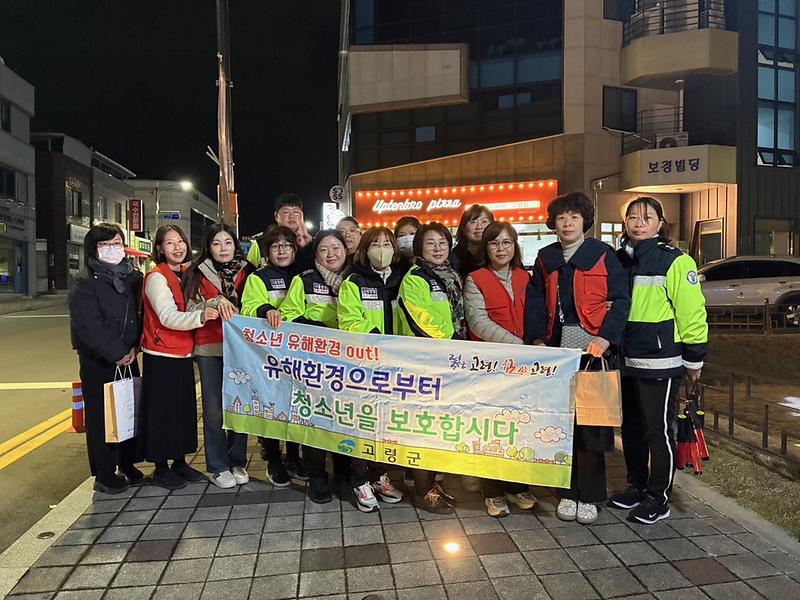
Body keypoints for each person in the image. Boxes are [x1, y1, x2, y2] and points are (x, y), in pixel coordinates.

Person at [525, 191, 631, 525]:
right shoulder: (545, 258)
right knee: (561, 423)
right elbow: (536, 304)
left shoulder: (603, 255)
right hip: (557, 349)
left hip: (594, 348)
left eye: (574, 216)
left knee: (592, 423)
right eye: (561, 217)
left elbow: (621, 300)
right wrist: (538, 339)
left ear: (585, 221)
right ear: (552, 224)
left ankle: (591, 494)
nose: (567, 223)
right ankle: (567, 492)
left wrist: (606, 336)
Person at [609, 196, 708, 524]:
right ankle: (635, 485)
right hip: (627, 360)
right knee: (631, 429)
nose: (639, 222)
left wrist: (694, 358)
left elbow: (692, 312)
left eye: (647, 217)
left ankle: (658, 497)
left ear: (660, 223)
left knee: (658, 432)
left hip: (659, 361)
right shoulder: (622, 259)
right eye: (633, 217)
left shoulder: (676, 261)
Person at [463, 221, 539, 517]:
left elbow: (536, 313)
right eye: (495, 243)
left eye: (507, 243)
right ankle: (492, 491)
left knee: (519, 427)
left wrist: (534, 344)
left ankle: (517, 485)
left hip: (524, 367)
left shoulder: (526, 277)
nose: (501, 248)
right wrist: (519, 344)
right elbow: (478, 322)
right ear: (486, 248)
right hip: (492, 365)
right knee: (492, 429)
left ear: (515, 246)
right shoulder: (476, 279)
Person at [139, 225, 219, 489]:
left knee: (183, 411)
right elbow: (167, 316)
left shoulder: (187, 273)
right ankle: (161, 467)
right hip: (161, 354)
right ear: (159, 248)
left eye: (181, 241)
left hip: (185, 352)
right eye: (169, 243)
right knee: (162, 413)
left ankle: (180, 462)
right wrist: (200, 316)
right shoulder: (156, 277)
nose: (177, 247)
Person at [68, 224, 143, 494]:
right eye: (105, 245)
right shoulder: (85, 283)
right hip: (99, 361)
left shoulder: (133, 278)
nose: (113, 249)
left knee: (127, 411)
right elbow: (89, 326)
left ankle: (127, 463)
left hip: (129, 356)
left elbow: (140, 315)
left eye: (117, 243)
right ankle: (104, 473)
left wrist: (135, 347)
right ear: (94, 249)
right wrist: (117, 353)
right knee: (102, 418)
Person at [397, 222, 465, 513]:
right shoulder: (415, 278)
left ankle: (434, 482)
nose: (437, 248)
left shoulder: (451, 276)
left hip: (451, 362)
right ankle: (422, 488)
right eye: (430, 244)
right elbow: (419, 319)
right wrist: (450, 342)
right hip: (425, 363)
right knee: (422, 428)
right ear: (419, 249)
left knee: (440, 427)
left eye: (442, 242)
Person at [337, 227, 407, 512]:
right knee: (363, 425)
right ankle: (358, 481)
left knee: (387, 426)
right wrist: (381, 341)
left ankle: (379, 476)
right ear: (364, 250)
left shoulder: (403, 280)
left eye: (387, 243)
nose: (382, 249)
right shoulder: (353, 282)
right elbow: (350, 323)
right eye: (376, 244)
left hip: (397, 366)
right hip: (365, 366)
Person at [280, 229, 349, 503]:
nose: (331, 254)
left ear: (346, 250)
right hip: (315, 363)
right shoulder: (304, 280)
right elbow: (288, 314)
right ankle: (317, 477)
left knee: (346, 418)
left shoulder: (356, 280)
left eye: (336, 248)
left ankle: (343, 472)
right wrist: (318, 329)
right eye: (324, 249)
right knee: (315, 419)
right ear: (316, 254)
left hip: (348, 364)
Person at [183, 224, 253, 489]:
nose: (223, 249)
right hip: (210, 348)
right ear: (208, 247)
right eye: (216, 243)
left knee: (241, 407)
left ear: (235, 245)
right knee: (213, 410)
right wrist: (214, 302)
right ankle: (217, 465)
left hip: (242, 350)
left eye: (228, 243)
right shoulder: (198, 273)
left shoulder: (248, 272)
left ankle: (237, 460)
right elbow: (189, 308)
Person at [240, 225, 309, 485]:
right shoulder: (259, 277)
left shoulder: (303, 275)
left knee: (295, 406)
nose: (282, 250)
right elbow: (248, 306)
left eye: (287, 245)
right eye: (276, 246)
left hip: (298, 355)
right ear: (267, 251)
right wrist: (265, 309)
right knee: (272, 407)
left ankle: (294, 456)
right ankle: (274, 460)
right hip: (268, 355)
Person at [247, 193, 314, 270]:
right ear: (276, 216)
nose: (292, 216)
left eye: (296, 212)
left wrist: (307, 248)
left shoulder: (313, 243)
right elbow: (248, 273)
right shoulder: (261, 243)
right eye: (286, 212)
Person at [452, 205, 494, 278]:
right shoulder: (453, 258)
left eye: (484, 221)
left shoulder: (498, 254)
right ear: (463, 229)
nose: (479, 226)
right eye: (473, 222)